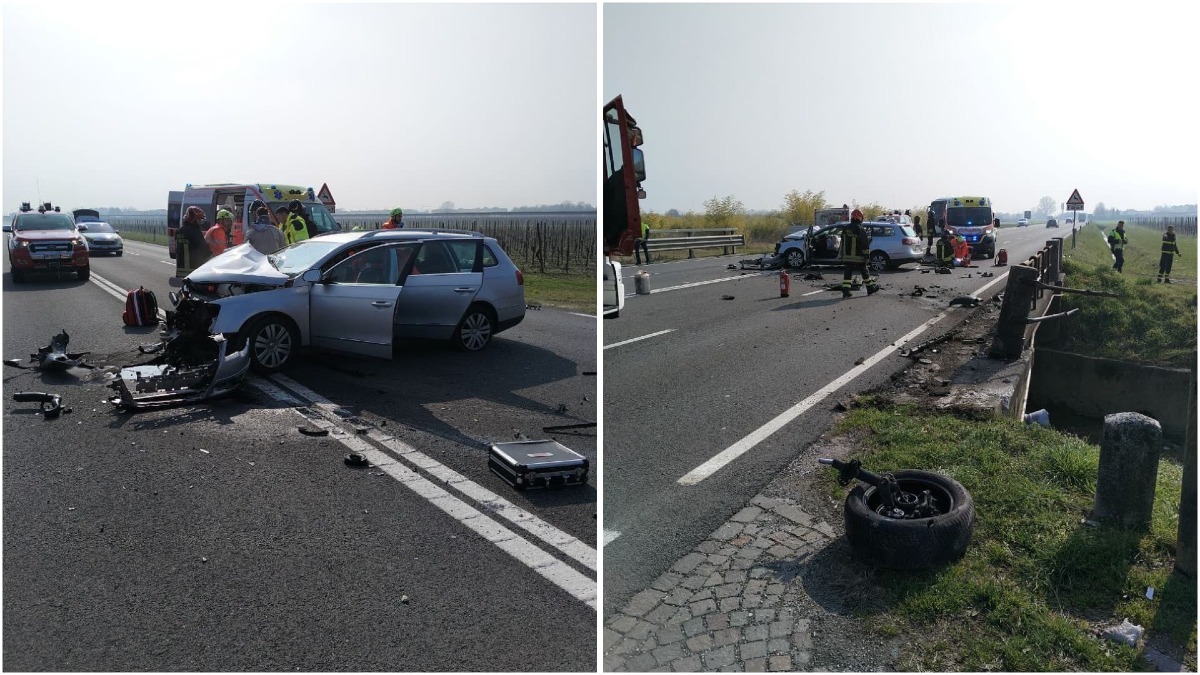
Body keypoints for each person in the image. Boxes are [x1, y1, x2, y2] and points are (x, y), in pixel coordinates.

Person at [841, 209, 878, 298]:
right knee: (864, 271)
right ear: (860, 218)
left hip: (847, 256)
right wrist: (867, 256)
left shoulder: (846, 228)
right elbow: (864, 244)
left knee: (848, 273)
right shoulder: (860, 229)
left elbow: (842, 240)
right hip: (858, 256)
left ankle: (846, 291)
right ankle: (870, 288)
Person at [175, 206, 211, 278]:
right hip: (192, 270)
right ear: (194, 219)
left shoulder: (179, 231)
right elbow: (204, 249)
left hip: (180, 269)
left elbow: (177, 248)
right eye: (199, 219)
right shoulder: (195, 231)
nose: (200, 222)